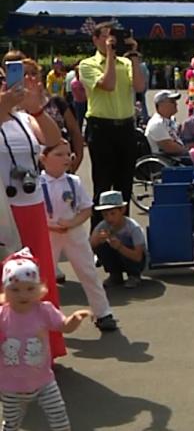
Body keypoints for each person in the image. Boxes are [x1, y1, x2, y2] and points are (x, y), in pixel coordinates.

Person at [0, 66, 66, 358]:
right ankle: (9, 351)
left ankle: (42, 351)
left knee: (37, 276)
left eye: (3, 78)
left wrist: (36, 109)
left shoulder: (23, 117)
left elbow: (52, 140)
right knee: (7, 277)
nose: (4, 84)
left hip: (32, 204)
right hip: (3, 208)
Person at [0, 248, 91, 431]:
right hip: (10, 385)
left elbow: (63, 326)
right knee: (11, 423)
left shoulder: (44, 310)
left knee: (59, 418)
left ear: (40, 289)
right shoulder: (2, 315)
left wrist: (74, 320)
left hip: (44, 381)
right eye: (15, 289)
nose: (23, 295)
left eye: (29, 288)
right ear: (5, 291)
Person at [39, 140, 117, 331]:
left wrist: (72, 223)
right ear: (43, 159)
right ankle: (42, 317)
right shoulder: (36, 184)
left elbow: (86, 209)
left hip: (73, 233)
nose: (66, 158)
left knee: (88, 271)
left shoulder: (74, 182)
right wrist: (50, 226)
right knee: (44, 276)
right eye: (59, 155)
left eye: (68, 154)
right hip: (48, 234)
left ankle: (103, 312)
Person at [79, 21, 146, 224]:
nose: (112, 41)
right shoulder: (87, 64)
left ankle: (125, 232)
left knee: (124, 184)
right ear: (96, 39)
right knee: (103, 184)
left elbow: (140, 86)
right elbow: (108, 84)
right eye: (108, 37)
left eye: (115, 37)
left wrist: (133, 56)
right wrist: (109, 54)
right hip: (101, 128)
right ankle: (99, 236)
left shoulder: (126, 63)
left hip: (125, 127)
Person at [90, 191, 148, 288]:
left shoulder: (133, 228)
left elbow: (138, 256)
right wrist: (98, 240)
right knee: (101, 246)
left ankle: (134, 275)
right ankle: (115, 274)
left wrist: (120, 247)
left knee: (129, 250)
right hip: (118, 255)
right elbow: (90, 245)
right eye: (105, 214)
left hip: (136, 259)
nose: (109, 218)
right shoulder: (103, 226)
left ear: (122, 210)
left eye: (113, 213)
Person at [144, 90, 187, 157]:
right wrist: (189, 151)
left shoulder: (170, 120)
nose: (176, 104)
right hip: (168, 159)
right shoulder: (157, 124)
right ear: (161, 105)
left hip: (178, 156)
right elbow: (170, 148)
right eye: (172, 101)